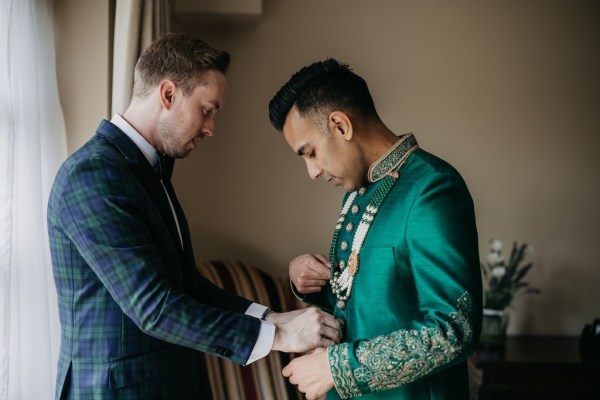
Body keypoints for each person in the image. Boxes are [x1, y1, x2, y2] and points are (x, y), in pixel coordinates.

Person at [47, 34, 341, 399]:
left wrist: (270, 318)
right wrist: (279, 336)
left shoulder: (149, 170)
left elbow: (186, 285)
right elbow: (153, 307)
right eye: (207, 110)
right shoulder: (92, 175)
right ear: (168, 94)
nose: (210, 128)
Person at [268, 58, 482, 400]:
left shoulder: (432, 190)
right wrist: (306, 282)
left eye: (310, 153)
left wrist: (337, 367)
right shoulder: (359, 192)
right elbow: (375, 302)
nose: (312, 172)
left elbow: (454, 329)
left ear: (340, 126)